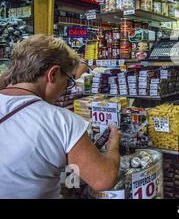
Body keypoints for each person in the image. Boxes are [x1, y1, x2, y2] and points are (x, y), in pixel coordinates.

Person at [0, 35, 120, 198]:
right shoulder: (61, 121)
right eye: (68, 79)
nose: (67, 87)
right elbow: (103, 180)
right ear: (53, 74)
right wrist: (113, 146)